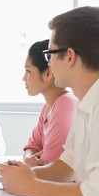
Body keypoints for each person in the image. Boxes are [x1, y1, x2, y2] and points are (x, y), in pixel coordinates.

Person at [0, 6, 99, 196]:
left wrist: (29, 186)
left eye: (50, 54)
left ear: (70, 57)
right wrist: (26, 175)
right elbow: (68, 166)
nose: (50, 63)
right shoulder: (85, 101)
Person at [22, 39, 76, 167]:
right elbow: (32, 145)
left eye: (28, 71)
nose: (24, 77)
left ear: (48, 73)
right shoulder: (48, 106)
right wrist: (28, 159)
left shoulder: (65, 104)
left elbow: (48, 164)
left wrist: (29, 164)